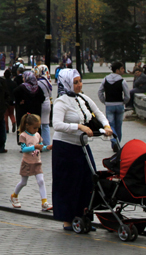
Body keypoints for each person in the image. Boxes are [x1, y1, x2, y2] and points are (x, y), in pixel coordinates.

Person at [52, 68, 112, 231]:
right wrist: (78, 126)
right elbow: (56, 125)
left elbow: (98, 112)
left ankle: (84, 217)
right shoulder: (61, 102)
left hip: (82, 146)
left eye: (80, 81)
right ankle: (67, 220)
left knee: (87, 181)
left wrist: (106, 125)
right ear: (67, 83)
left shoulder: (83, 98)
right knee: (68, 183)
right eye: (75, 82)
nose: (79, 85)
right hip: (65, 147)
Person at [10, 113, 52, 212]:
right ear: (28, 126)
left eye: (38, 128)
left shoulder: (37, 135)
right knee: (23, 182)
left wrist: (47, 148)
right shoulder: (23, 135)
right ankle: (14, 195)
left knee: (41, 181)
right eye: (35, 128)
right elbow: (24, 149)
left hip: (37, 162)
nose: (37, 130)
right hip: (27, 163)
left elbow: (41, 147)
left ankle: (44, 202)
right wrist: (35, 147)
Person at [98, 61, 131, 152]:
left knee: (111, 124)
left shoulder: (105, 79)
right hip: (120, 105)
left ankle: (114, 141)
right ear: (117, 70)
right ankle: (117, 142)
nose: (123, 70)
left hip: (109, 105)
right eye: (122, 69)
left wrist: (104, 101)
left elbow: (100, 92)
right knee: (118, 125)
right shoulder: (122, 81)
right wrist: (124, 102)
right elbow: (127, 95)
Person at [13, 71, 46, 144]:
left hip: (24, 112)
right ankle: (37, 142)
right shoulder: (37, 88)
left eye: (24, 77)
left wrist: (19, 101)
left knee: (24, 126)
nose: (23, 79)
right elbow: (42, 98)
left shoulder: (22, 87)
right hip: (35, 111)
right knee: (35, 126)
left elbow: (14, 94)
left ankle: (23, 143)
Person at [34, 65, 53, 147]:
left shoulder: (39, 82)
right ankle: (47, 142)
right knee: (46, 124)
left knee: (40, 124)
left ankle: (41, 141)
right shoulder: (48, 81)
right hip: (48, 102)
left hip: (41, 103)